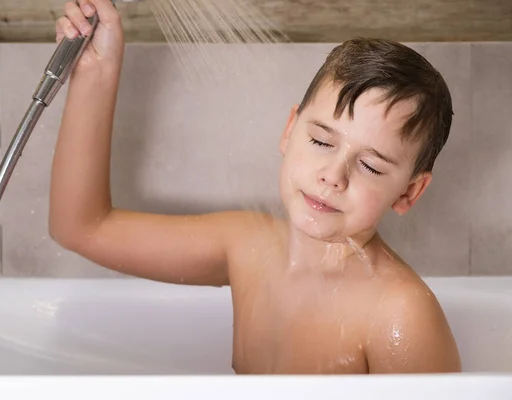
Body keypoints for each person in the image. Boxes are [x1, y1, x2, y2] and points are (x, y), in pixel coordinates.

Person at [49, 0, 461, 374]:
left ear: (409, 193)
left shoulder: (399, 316)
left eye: (370, 166)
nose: (333, 175)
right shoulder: (248, 246)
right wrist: (95, 71)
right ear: (289, 130)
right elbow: (82, 227)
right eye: (320, 141)